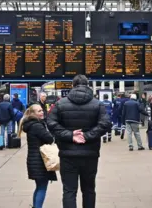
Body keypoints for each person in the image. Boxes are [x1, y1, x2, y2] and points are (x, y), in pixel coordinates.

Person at [47, 74, 111, 208]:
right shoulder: (97, 104)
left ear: (72, 85)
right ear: (88, 85)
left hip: (67, 154)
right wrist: (87, 136)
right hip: (90, 154)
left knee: (69, 190)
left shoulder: (60, 104)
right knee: (89, 189)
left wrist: (70, 135)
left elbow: (51, 123)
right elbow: (105, 124)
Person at [19, 104, 57, 208]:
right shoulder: (37, 126)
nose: (42, 112)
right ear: (33, 114)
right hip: (40, 160)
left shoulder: (31, 124)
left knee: (39, 186)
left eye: (41, 110)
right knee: (42, 187)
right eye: (39, 111)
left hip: (34, 159)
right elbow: (49, 138)